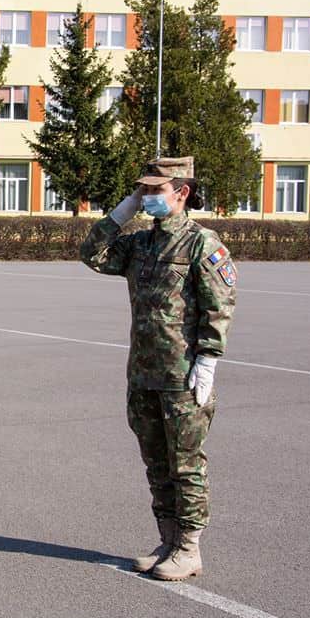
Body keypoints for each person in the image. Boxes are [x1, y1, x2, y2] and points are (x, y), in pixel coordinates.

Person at [80, 156, 236, 581]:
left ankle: (189, 548)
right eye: (143, 190)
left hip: (182, 376)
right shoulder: (141, 243)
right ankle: (167, 539)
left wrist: (207, 360)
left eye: (154, 191)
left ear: (181, 192)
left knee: (185, 464)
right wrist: (125, 209)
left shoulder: (202, 244)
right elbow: (90, 253)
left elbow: (220, 306)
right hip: (144, 372)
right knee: (155, 462)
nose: (148, 197)